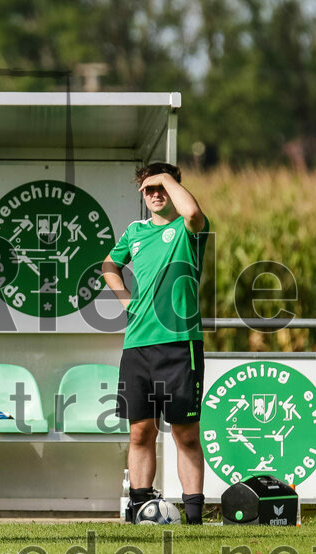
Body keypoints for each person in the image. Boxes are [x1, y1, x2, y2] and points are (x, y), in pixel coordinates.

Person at [102, 162, 209, 524]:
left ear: (174, 187)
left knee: (185, 434)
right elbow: (108, 265)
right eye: (148, 190)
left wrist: (164, 177)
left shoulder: (188, 229)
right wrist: (126, 301)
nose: (156, 194)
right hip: (137, 346)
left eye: (162, 187)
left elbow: (191, 210)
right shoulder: (134, 231)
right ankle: (139, 510)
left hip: (180, 345)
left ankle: (193, 517)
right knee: (140, 432)